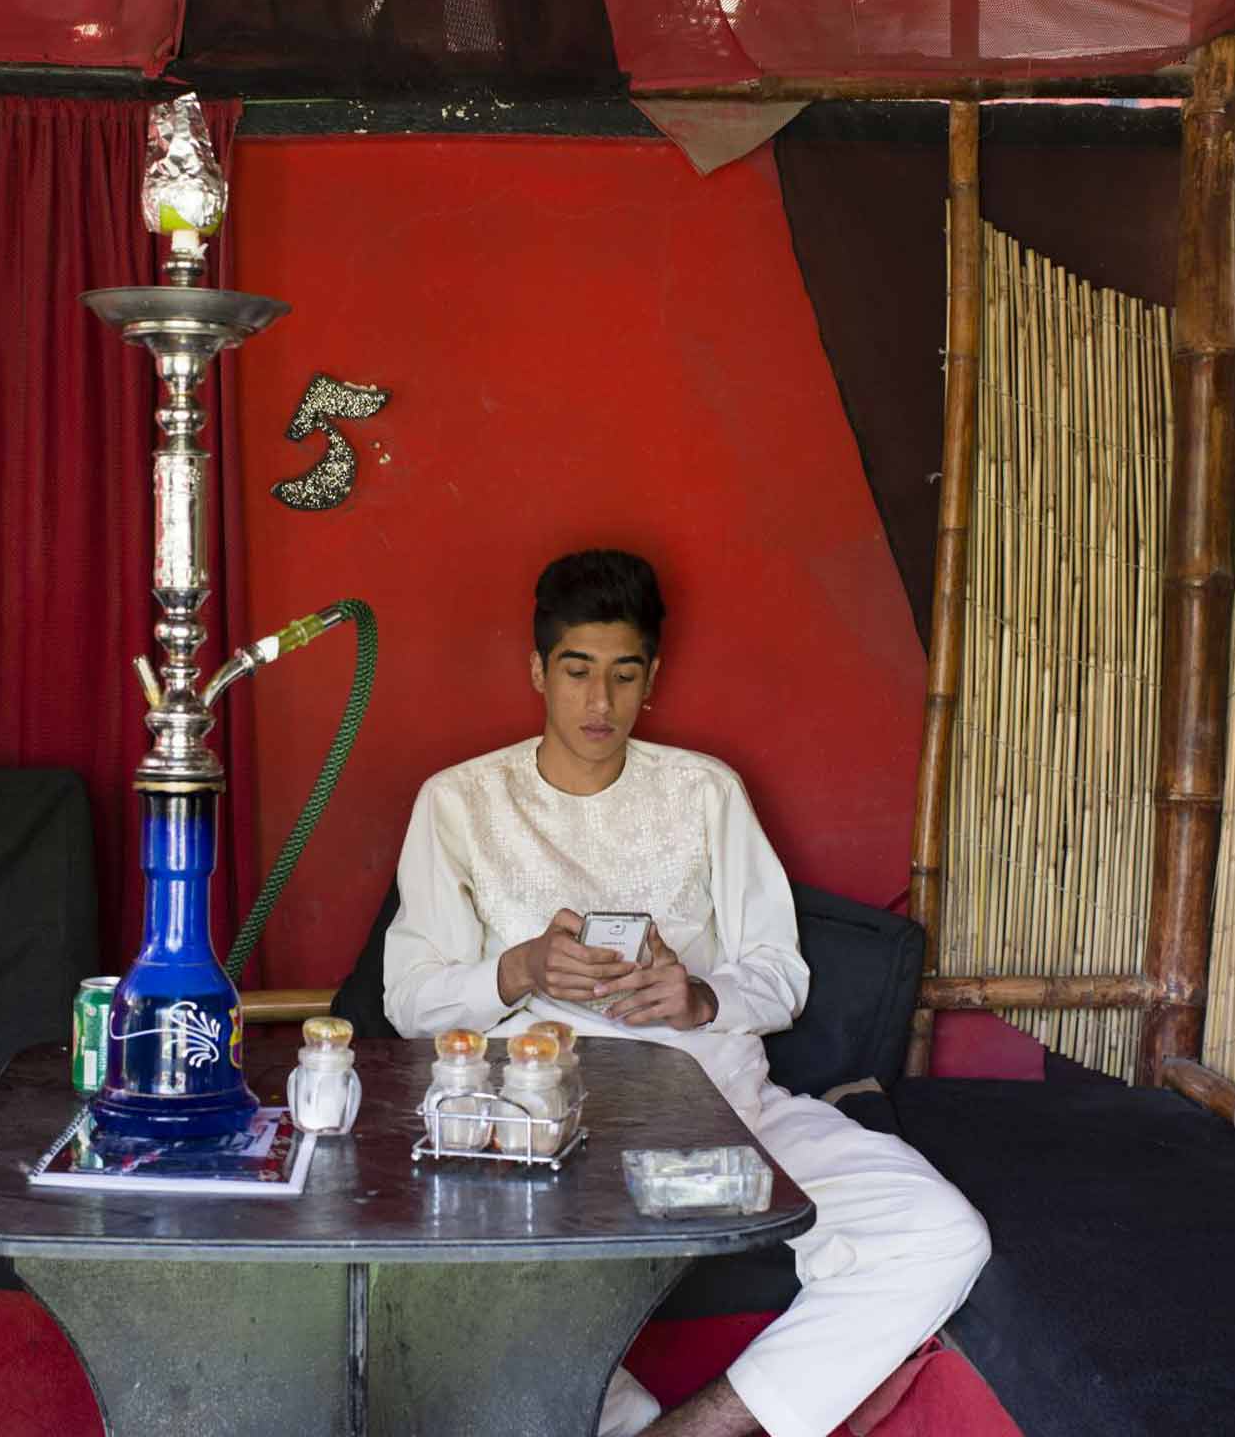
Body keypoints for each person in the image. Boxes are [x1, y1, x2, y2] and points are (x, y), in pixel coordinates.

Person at [383, 551, 990, 1437]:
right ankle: (620, 1420)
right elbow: (411, 999)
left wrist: (699, 997)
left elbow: (780, 973)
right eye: (578, 672)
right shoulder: (461, 801)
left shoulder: (705, 791)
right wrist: (518, 970)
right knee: (461, 1273)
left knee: (939, 1232)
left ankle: (699, 1431)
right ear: (537, 672)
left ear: (651, 679)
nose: (600, 705)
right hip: (545, 1125)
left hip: (724, 1105)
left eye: (624, 676)